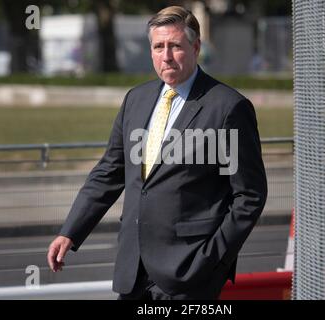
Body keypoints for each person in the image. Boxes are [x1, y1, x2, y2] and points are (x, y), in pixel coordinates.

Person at [47, 6, 267, 300]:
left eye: (175, 45)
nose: (166, 55)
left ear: (196, 47)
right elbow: (109, 171)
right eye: (158, 46)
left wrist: (212, 259)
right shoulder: (135, 100)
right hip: (133, 270)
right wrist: (70, 231)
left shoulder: (228, 107)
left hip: (190, 275)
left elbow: (250, 195)